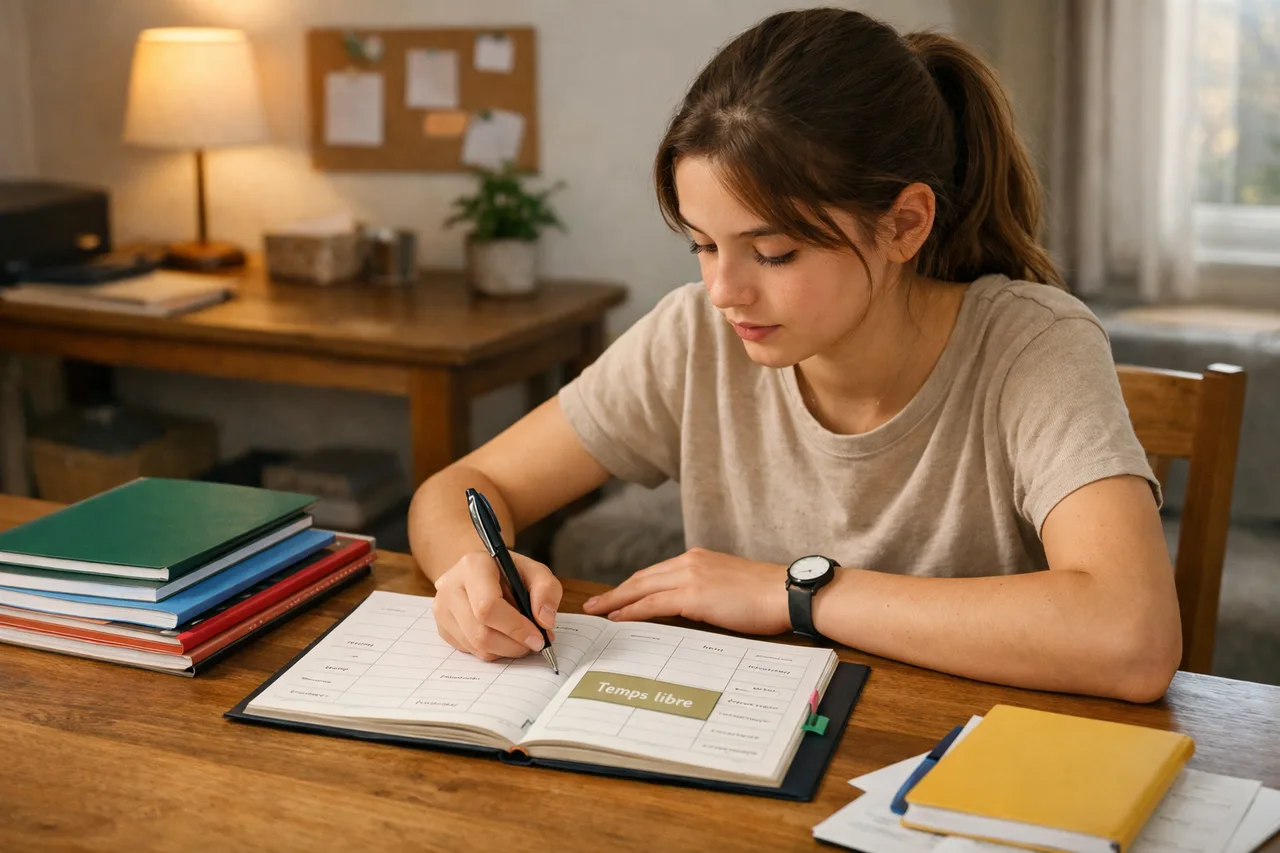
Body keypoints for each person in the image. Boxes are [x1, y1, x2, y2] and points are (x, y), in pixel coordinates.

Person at [409, 8, 1182, 702]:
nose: (723, 290)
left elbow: (1131, 636)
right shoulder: (695, 336)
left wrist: (796, 592)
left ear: (906, 224)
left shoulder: (1033, 346)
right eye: (703, 245)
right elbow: (459, 489)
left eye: (772, 253)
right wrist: (466, 572)